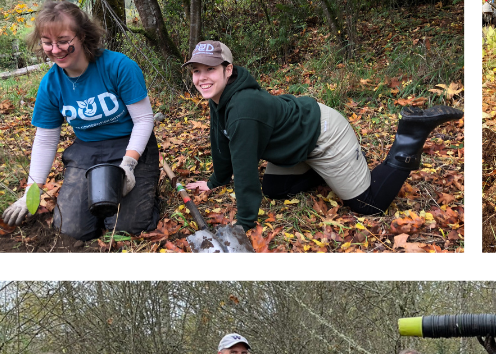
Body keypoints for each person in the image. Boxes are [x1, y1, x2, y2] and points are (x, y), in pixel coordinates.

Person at [182, 40, 463, 229]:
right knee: (274, 190)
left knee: (369, 204)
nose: (202, 78)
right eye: (196, 71)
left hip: (324, 134)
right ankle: (332, 171)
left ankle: (411, 135)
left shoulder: (242, 108)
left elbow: (244, 168)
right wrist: (215, 181)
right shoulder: (219, 98)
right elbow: (221, 141)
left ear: (228, 70)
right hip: (296, 138)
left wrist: (244, 224)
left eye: (210, 69)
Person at [1, 1, 159, 241]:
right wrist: (30, 193)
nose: (55, 50)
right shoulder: (51, 83)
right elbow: (45, 139)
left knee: (125, 227)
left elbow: (145, 119)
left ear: (82, 35)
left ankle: (146, 192)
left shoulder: (119, 66)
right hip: (87, 151)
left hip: (131, 147)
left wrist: (128, 164)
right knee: (71, 229)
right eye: (47, 42)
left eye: (63, 40)